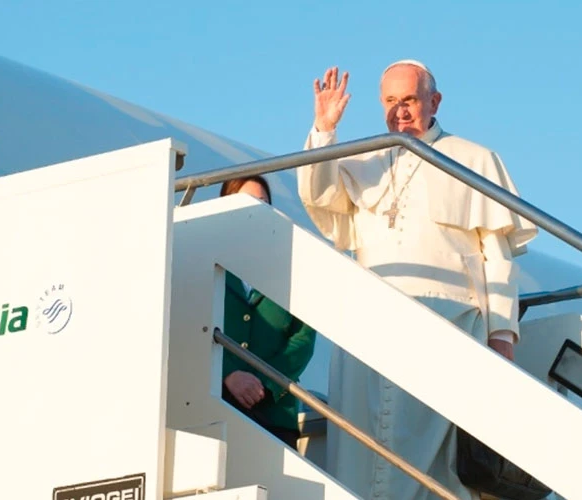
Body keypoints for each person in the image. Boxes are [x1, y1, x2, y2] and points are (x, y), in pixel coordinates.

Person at [297, 61, 538, 499]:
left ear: (434, 101)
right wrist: (324, 128)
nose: (400, 111)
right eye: (390, 101)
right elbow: (318, 196)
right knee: (361, 454)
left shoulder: (474, 158)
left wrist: (502, 336)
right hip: (369, 329)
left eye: (408, 100)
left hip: (451, 322)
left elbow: (497, 257)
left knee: (437, 467)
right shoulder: (362, 158)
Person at [219, 175, 317, 450]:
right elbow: (190, 324)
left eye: (263, 203)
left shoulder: (290, 267)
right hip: (216, 404)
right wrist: (228, 373)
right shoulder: (203, 260)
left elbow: (303, 338)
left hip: (275, 413)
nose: (256, 209)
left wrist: (264, 381)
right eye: (246, 201)